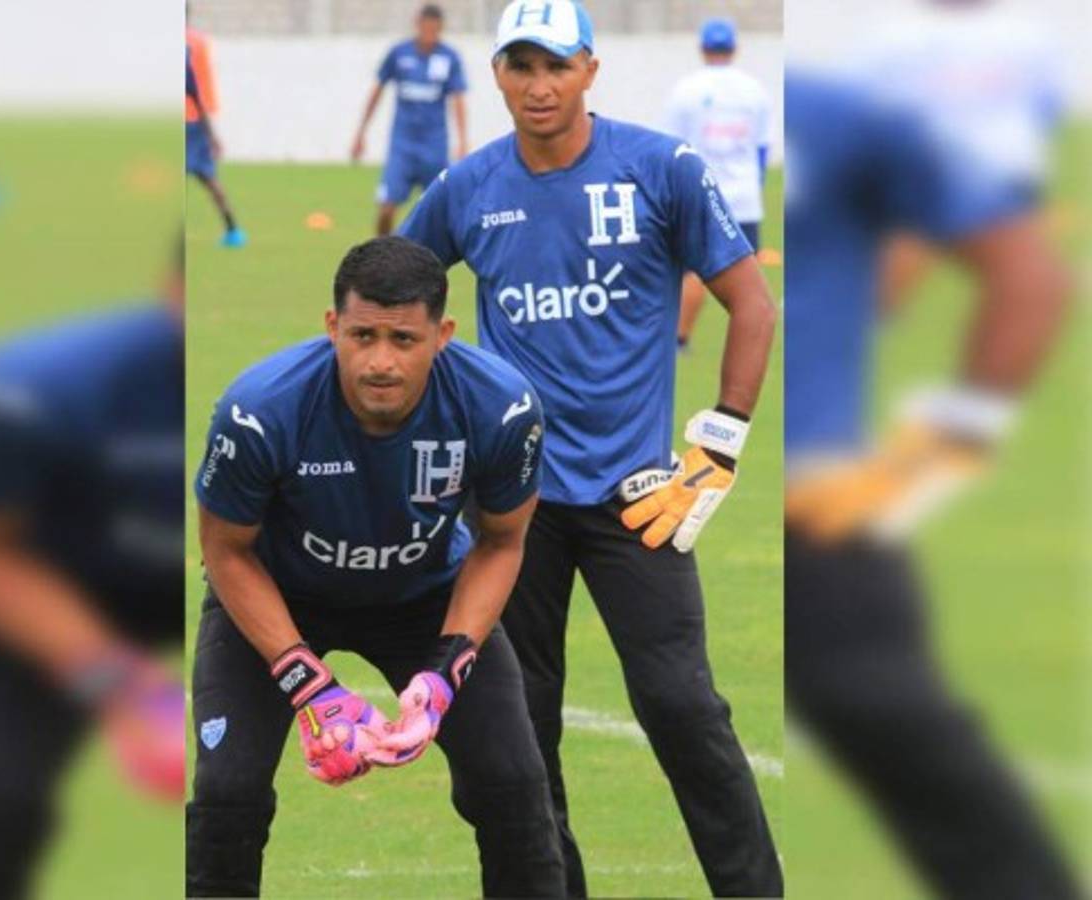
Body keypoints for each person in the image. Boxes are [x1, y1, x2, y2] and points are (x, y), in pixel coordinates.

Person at [400, 3, 783, 895]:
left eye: (557, 66)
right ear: (495, 73)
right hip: (510, 508)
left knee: (684, 708)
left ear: (590, 71)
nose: (539, 86)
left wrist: (718, 444)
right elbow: (392, 303)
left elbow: (753, 305)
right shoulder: (465, 187)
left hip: (638, 497)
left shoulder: (660, 168)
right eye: (520, 66)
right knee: (520, 727)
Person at [185, 236, 565, 898]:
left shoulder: (501, 408)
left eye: (403, 339)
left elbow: (501, 542)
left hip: (425, 599)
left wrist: (448, 672)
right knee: (228, 793)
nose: (380, 361)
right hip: (278, 597)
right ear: (332, 325)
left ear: (442, 334)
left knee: (512, 784)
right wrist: (308, 683)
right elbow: (224, 551)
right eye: (361, 335)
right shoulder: (259, 411)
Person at [782, 69, 1080, 899]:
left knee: (948, 797)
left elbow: (1028, 277)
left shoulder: (842, 116)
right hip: (705, 502)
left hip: (820, 529)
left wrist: (941, 457)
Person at [0, 268, 186, 897]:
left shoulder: (275, 404)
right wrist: (116, 679)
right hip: (43, 574)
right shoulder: (25, 390)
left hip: (206, 576)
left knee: (234, 788)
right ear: (172, 290)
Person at [663, 17, 770, 349]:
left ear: (702, 48)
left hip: (699, 193)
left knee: (695, 270)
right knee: (746, 276)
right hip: (744, 196)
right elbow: (762, 149)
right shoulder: (754, 90)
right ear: (735, 48)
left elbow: (672, 148)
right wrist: (757, 185)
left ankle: (679, 337)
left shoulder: (685, 90)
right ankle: (751, 339)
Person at [350, 4, 468, 236]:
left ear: (440, 29)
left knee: (440, 213)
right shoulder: (399, 53)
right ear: (418, 25)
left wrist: (463, 140)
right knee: (385, 208)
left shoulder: (448, 57)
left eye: (435, 30)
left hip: (434, 146)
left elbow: (458, 99)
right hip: (402, 146)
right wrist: (361, 133)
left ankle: (427, 265)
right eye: (426, 29)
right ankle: (381, 254)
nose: (430, 35)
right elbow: (377, 91)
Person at [187, 25, 246, 248]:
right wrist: (212, 134)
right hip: (196, 120)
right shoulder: (200, 41)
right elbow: (197, 92)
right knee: (208, 177)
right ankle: (233, 230)